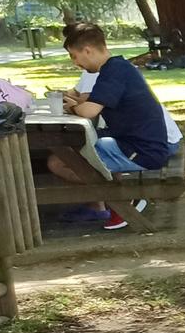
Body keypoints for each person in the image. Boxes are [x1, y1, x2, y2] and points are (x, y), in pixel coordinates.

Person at [56, 21, 171, 228]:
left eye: (75, 56)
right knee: (71, 151)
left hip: (142, 151)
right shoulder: (118, 68)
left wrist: (70, 108)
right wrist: (76, 103)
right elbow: (92, 101)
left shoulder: (113, 72)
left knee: (59, 161)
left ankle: (125, 199)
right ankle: (119, 198)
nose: (75, 63)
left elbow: (89, 111)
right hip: (136, 143)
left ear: (88, 51)